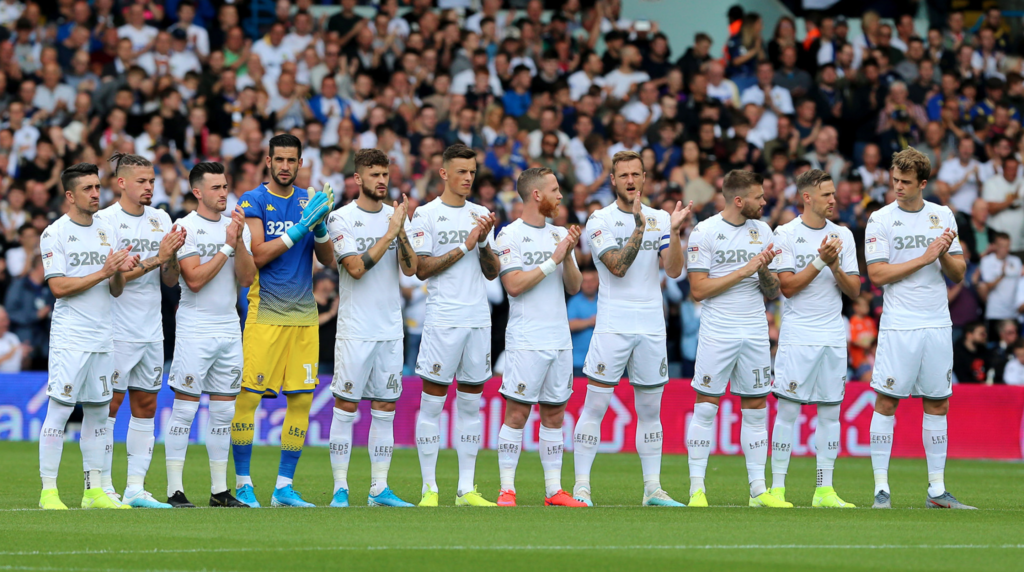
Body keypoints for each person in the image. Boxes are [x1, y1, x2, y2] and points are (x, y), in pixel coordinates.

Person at [574, 150, 690, 507]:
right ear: (612, 180)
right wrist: (641, 228)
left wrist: (672, 231)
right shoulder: (600, 219)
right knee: (595, 405)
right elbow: (617, 267)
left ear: (644, 178)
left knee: (651, 410)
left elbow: (673, 271)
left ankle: (652, 489)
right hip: (613, 324)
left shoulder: (659, 217)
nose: (630, 181)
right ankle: (581, 487)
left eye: (635, 174)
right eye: (623, 175)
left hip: (652, 325)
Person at [865, 147, 974, 509]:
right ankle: (881, 488)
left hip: (937, 322)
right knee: (886, 400)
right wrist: (924, 257)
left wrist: (942, 252)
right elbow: (877, 274)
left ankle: (937, 490)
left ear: (923, 183)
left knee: (938, 402)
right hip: (900, 324)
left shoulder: (942, 215)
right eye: (895, 179)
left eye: (906, 182)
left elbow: (958, 273)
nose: (897, 186)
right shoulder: (880, 219)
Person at [230, 134, 336, 508]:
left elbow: (328, 260)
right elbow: (257, 254)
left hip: (304, 319)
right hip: (266, 315)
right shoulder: (253, 200)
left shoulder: (310, 200)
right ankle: (243, 483)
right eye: (280, 160)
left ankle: (283, 488)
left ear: (300, 161)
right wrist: (299, 228)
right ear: (269, 161)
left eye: (293, 160)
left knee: (302, 400)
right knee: (248, 397)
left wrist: (320, 226)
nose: (286, 167)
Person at [37, 162, 139, 510]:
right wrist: (104, 271)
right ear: (70, 195)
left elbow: (115, 290)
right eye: (88, 189)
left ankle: (92, 491)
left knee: (98, 414)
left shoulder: (108, 230)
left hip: (102, 336)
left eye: (98, 187)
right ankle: (48, 491)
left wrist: (119, 272)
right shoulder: (55, 233)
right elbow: (59, 287)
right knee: (60, 412)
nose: (96, 194)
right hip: (71, 337)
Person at [684, 170, 785, 508]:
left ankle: (758, 490)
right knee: (706, 406)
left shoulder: (764, 231)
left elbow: (773, 291)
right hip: (718, 330)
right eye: (759, 197)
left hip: (755, 329)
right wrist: (744, 269)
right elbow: (698, 289)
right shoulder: (705, 232)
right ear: (739, 201)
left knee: (756, 408)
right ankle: (697, 489)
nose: (764, 201)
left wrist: (762, 271)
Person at [325, 149, 418, 508]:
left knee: (385, 407)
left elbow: (409, 269)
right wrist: (391, 232)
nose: (382, 180)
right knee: (346, 406)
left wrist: (402, 230)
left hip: (390, 328)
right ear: (358, 179)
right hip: (355, 328)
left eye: (385, 174)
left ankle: (379, 488)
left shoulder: (394, 218)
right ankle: (339, 488)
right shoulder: (341, 219)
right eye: (374, 174)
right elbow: (355, 268)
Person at [408, 143, 500, 507]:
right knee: (432, 405)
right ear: (444, 173)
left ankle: (466, 489)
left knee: (470, 407)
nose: (468, 178)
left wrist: (482, 247)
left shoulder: (480, 214)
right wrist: (464, 246)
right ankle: (429, 488)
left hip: (478, 320)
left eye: (472, 172)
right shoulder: (426, 214)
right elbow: (420, 269)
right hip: (443, 318)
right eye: (461, 172)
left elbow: (492, 274)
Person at [160, 161, 256, 508]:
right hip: (196, 325)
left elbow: (246, 279)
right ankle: (174, 490)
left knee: (223, 414)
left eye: (226, 186)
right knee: (185, 410)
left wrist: (239, 243)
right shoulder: (184, 227)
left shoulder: (234, 227)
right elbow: (195, 280)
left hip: (229, 326)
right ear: (197, 192)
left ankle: (219, 491)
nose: (223, 193)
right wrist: (228, 247)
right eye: (216, 188)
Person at [96, 152, 186, 509]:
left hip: (152, 327)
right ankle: (102, 487)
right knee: (110, 406)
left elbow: (170, 278)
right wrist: (158, 258)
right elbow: (111, 279)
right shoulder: (106, 222)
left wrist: (172, 256)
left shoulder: (161, 217)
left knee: (146, 405)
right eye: (142, 181)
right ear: (121, 183)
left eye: (152, 181)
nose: (150, 187)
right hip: (116, 327)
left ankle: (135, 488)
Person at [767, 169, 860, 508]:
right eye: (826, 195)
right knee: (788, 412)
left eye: (833, 193)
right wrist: (822, 260)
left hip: (833, 335)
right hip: (798, 334)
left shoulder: (843, 236)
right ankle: (777, 488)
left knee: (830, 414)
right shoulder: (786, 233)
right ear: (807, 197)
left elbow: (854, 290)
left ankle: (824, 489)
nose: (834, 199)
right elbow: (787, 287)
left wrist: (835, 266)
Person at [492, 167, 585, 508]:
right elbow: (513, 285)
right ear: (536, 195)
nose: (560, 196)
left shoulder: (558, 233)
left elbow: (573, 287)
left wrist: (569, 252)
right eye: (555, 189)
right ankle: (506, 489)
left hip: (558, 339)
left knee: (554, 416)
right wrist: (553, 259)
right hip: (526, 339)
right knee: (516, 415)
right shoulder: (509, 236)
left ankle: (553, 491)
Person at [977, 233, 1021, 333]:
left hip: (1013, 313)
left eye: (1007, 246)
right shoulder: (987, 261)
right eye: (1002, 246)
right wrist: (1001, 275)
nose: (1005, 249)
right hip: (995, 312)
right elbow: (986, 286)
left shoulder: (1016, 261)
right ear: (995, 246)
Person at [567, 268, 598, 377]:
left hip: (601, 361)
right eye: (585, 281)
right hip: (578, 361)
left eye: (592, 281)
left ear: (598, 281)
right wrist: (590, 321)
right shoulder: (574, 301)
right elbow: (569, 325)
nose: (588, 284)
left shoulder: (604, 300)